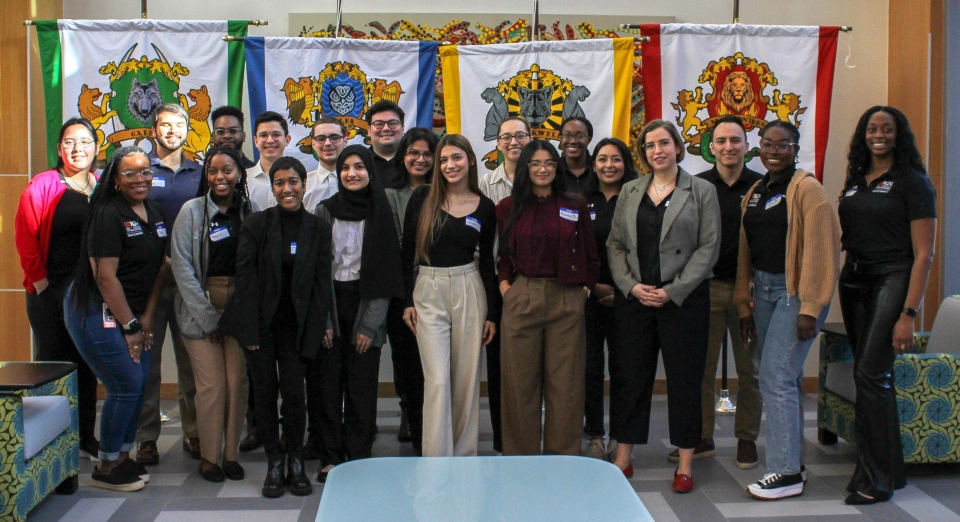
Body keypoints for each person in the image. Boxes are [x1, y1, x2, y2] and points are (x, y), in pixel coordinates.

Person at [606, 120, 719, 493]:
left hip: (683, 303)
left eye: (664, 143)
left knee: (685, 381)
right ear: (643, 153)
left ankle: (685, 461)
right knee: (630, 378)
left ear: (677, 147)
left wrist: (675, 290)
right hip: (636, 301)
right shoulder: (630, 190)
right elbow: (616, 245)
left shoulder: (701, 190)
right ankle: (624, 455)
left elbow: (708, 248)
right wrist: (629, 285)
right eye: (650, 145)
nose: (657, 150)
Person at [737, 120, 841, 500]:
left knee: (775, 376)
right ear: (758, 147)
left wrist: (810, 308)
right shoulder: (757, 191)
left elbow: (822, 253)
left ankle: (783, 473)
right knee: (788, 379)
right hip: (762, 291)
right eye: (767, 144)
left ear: (796, 149)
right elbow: (746, 251)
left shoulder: (808, 191)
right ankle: (794, 463)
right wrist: (743, 304)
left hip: (795, 292)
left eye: (783, 145)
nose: (774, 151)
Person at [838, 106, 936, 505]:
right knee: (874, 379)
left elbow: (925, 254)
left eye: (887, 128)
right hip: (854, 280)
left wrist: (908, 314)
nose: (879, 134)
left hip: (893, 277)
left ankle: (874, 481)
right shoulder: (855, 180)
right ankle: (889, 471)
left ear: (900, 135)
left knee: (870, 373)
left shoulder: (913, 183)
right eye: (872, 128)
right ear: (864, 134)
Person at [219, 156, 332, 498]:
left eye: (293, 182)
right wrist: (250, 330)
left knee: (296, 396)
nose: (287, 189)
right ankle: (274, 461)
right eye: (280, 183)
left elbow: (320, 282)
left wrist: (320, 324)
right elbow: (246, 278)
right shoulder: (256, 224)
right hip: (261, 328)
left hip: (297, 329)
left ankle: (295, 459)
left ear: (304, 184)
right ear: (273, 187)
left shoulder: (318, 227)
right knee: (265, 395)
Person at [63, 146, 168, 492]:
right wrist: (130, 326)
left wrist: (148, 318)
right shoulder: (108, 214)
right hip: (94, 311)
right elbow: (105, 278)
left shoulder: (153, 211)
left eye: (145, 173)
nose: (140, 179)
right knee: (125, 386)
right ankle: (106, 467)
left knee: (137, 385)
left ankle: (122, 457)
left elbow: (160, 269)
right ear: (115, 178)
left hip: (136, 312)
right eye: (130, 173)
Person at [497, 140, 599, 456]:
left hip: (566, 298)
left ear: (557, 168)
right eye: (536, 164)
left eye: (549, 163)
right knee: (519, 386)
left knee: (565, 386)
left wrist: (585, 290)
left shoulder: (575, 204)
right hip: (522, 296)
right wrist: (506, 289)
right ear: (525, 168)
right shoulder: (508, 207)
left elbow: (590, 253)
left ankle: (563, 459)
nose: (543, 169)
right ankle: (521, 460)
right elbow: (502, 257)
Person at [401, 134, 498, 457]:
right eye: (443, 160)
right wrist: (406, 301)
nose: (449, 165)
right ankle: (437, 459)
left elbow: (487, 264)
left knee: (466, 381)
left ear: (470, 160)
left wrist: (492, 315)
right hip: (428, 289)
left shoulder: (484, 206)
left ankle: (464, 454)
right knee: (439, 380)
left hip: (470, 288)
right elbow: (405, 254)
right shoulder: (422, 199)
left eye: (456, 158)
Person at [313, 145, 405, 481]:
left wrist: (369, 326)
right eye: (345, 168)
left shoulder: (382, 212)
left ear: (370, 172)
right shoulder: (325, 210)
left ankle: (358, 453)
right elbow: (315, 271)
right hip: (331, 304)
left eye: (359, 167)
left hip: (367, 305)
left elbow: (386, 273)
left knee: (361, 386)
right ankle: (331, 455)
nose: (352, 174)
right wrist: (323, 319)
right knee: (327, 384)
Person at [171, 147, 258, 483]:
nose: (219, 178)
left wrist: (236, 315)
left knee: (237, 383)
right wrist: (209, 319)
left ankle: (230, 455)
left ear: (239, 174)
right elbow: (182, 269)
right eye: (212, 171)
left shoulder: (250, 213)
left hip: (239, 307)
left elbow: (256, 269)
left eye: (227, 171)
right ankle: (209, 457)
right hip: (198, 307)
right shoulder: (191, 212)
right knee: (211, 387)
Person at [16, 118, 101, 462]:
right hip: (50, 292)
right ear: (59, 148)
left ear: (97, 148)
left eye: (84, 142)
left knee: (86, 365)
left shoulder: (102, 186)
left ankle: (84, 437)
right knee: (53, 366)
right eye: (69, 142)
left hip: (91, 295)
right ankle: (49, 444)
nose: (77, 149)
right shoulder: (43, 184)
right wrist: (40, 282)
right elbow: (25, 236)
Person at [681, 115, 763, 469]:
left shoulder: (764, 186)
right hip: (708, 288)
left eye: (736, 140)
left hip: (751, 293)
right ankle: (702, 437)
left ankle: (746, 439)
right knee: (700, 368)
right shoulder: (697, 187)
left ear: (747, 146)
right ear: (711, 148)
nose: (729, 147)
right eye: (722, 141)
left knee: (751, 371)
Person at [137, 103, 201, 466]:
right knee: (148, 364)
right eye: (165, 125)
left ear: (187, 129)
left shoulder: (200, 172)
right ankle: (146, 438)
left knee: (192, 362)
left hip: (189, 280)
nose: (172, 131)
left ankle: (194, 433)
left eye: (178, 125)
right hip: (149, 283)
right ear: (153, 130)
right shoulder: (142, 171)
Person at [581, 137, 638, 460]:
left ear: (625, 163)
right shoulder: (580, 200)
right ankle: (595, 434)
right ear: (593, 165)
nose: (609, 165)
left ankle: (620, 434)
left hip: (628, 297)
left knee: (624, 369)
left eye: (615, 159)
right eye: (602, 159)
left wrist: (624, 288)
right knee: (590, 368)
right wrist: (594, 286)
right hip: (589, 296)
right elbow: (575, 249)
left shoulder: (636, 196)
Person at [477, 116, 532, 453]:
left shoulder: (544, 179)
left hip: (533, 284)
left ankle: (530, 438)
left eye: (520, 136)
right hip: (496, 284)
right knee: (498, 367)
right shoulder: (484, 185)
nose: (514, 142)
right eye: (506, 137)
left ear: (531, 139)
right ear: (497, 144)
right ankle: (502, 441)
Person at [383, 127, 438, 454]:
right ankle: (408, 412)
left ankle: (435, 415)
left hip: (440, 286)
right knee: (404, 356)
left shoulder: (444, 190)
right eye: (413, 153)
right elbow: (397, 244)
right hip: (402, 286)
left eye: (426, 154)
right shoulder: (390, 194)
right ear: (403, 157)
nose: (420, 159)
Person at [247, 111, 293, 210]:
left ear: (287, 140)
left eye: (276, 134)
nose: (270, 140)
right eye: (263, 135)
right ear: (256, 141)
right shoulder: (243, 180)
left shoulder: (301, 179)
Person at [304, 116, 347, 212]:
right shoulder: (303, 185)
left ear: (345, 142)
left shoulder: (357, 181)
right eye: (321, 138)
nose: (327, 143)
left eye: (334, 137)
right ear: (313, 144)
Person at [366, 100, 406, 189]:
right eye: (379, 124)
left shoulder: (414, 162)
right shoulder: (361, 162)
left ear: (403, 128)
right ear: (369, 130)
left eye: (392, 123)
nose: (386, 128)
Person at [559, 117, 595, 195]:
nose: (573, 141)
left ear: (588, 140)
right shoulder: (553, 169)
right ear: (561, 139)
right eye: (567, 135)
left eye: (580, 136)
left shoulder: (598, 168)